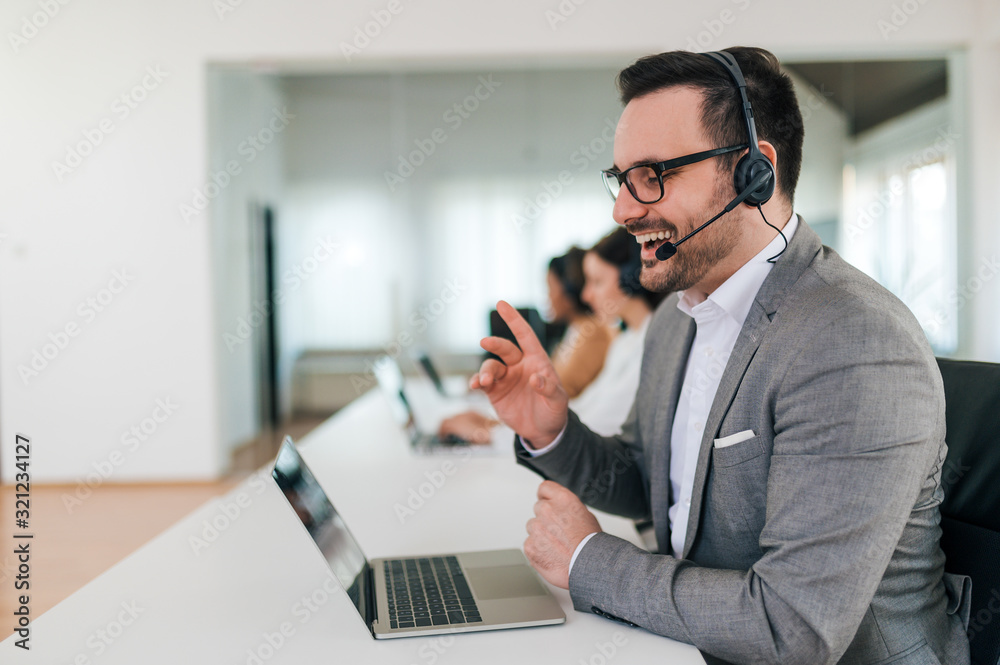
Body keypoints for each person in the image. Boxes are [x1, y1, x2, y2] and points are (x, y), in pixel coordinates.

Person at [469, 47, 970, 664]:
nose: (624, 209)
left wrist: (588, 561)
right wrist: (553, 434)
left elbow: (793, 628)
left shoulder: (855, 343)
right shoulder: (677, 320)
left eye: (654, 174)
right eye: (620, 179)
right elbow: (652, 483)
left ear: (755, 171)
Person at [438, 247, 614, 443]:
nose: (547, 297)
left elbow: (556, 404)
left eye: (550, 288)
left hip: (557, 438)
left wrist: (488, 431)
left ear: (568, 289)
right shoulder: (575, 331)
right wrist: (489, 422)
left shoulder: (591, 334)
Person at [571, 227, 663, 436]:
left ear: (630, 277)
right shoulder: (626, 341)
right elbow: (585, 406)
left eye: (597, 282)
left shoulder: (655, 342)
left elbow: (599, 424)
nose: (586, 296)